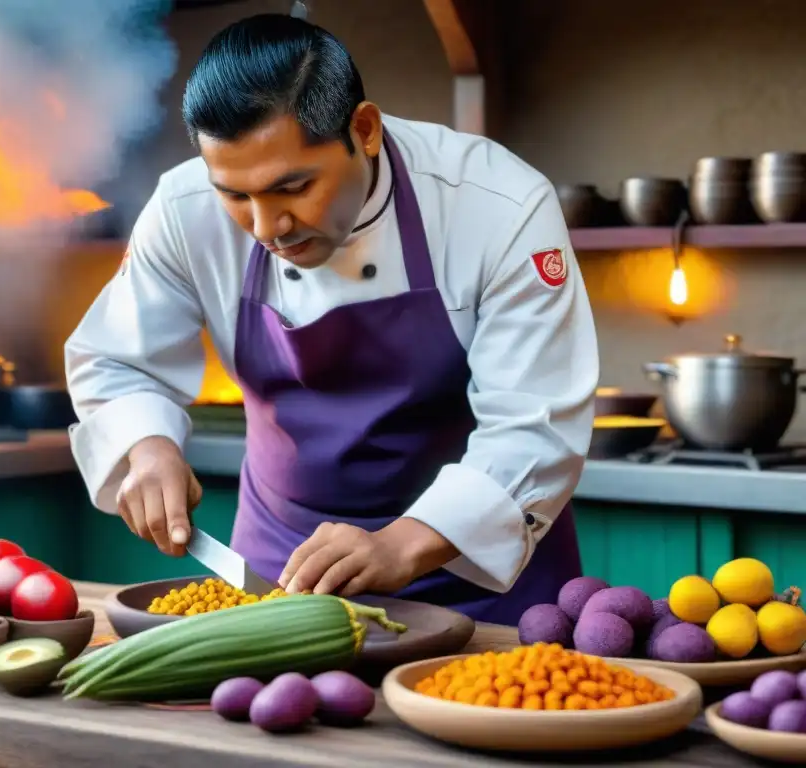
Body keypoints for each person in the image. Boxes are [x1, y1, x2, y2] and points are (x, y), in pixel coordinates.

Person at [64, 13, 598, 625]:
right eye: (236, 196)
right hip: (280, 576)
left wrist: (400, 545)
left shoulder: (496, 205)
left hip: (484, 586)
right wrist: (146, 445)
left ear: (364, 130)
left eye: (293, 187)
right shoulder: (183, 208)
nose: (268, 229)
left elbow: (535, 425)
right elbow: (115, 357)